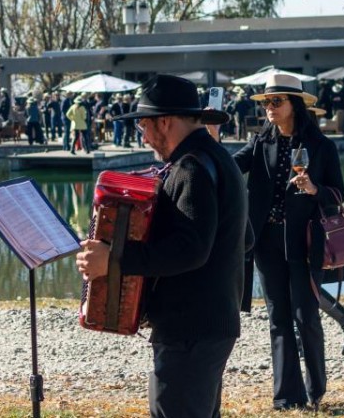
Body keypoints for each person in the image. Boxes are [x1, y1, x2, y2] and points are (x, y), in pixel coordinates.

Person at [76, 74, 248, 418]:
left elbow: (190, 249)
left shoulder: (191, 168)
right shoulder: (217, 157)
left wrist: (114, 259)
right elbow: (247, 238)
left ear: (165, 121)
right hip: (207, 323)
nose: (142, 135)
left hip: (190, 328)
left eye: (144, 125)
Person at [231, 74, 344, 412]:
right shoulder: (260, 142)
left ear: (295, 105)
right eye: (266, 102)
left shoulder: (322, 146)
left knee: (306, 316)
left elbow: (338, 193)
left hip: (306, 242)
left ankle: (315, 389)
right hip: (266, 241)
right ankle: (287, 396)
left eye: (277, 101)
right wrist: (209, 138)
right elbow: (229, 167)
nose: (269, 108)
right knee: (278, 318)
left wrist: (315, 189)